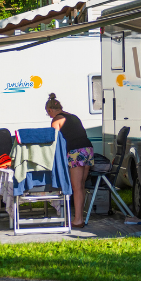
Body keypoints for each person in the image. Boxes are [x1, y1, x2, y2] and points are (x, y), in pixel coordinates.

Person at [45, 93, 94, 226]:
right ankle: (79, 217)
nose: (49, 116)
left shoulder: (57, 120)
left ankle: (78, 219)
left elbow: (52, 140)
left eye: (48, 113)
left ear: (50, 110)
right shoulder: (73, 117)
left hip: (76, 151)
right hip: (88, 149)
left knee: (76, 186)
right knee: (81, 185)